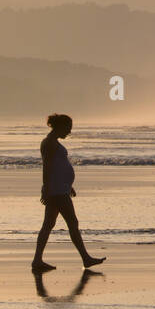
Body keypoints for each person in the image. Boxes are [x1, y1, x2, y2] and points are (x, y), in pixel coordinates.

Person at [33, 113, 105, 272]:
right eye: (68, 128)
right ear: (59, 126)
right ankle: (85, 258)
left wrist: (68, 184)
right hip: (57, 191)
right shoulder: (49, 143)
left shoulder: (52, 142)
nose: (69, 132)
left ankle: (37, 260)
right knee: (72, 223)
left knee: (48, 225)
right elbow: (47, 167)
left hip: (60, 188)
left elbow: (58, 166)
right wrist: (46, 188)